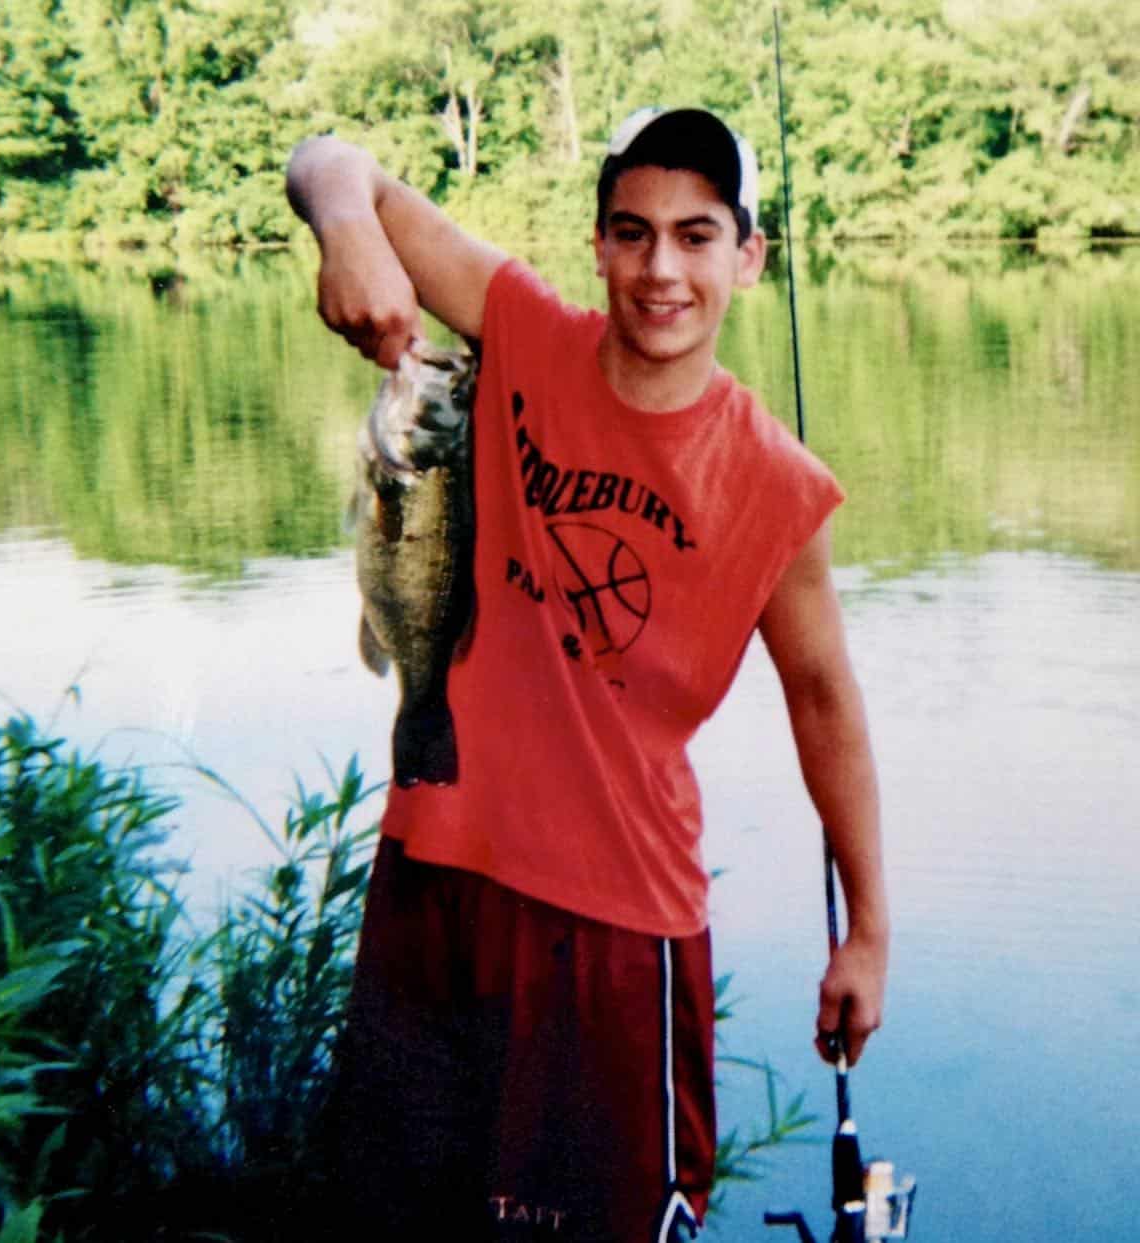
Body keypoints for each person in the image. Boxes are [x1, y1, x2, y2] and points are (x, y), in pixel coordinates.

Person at [286, 106, 889, 1242]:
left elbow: (826, 706)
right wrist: (347, 229)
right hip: (433, 877)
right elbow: (328, 163)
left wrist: (867, 929)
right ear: (599, 244)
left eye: (698, 235)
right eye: (633, 231)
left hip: (613, 934)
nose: (662, 268)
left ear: (749, 257)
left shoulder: (776, 483)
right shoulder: (520, 332)